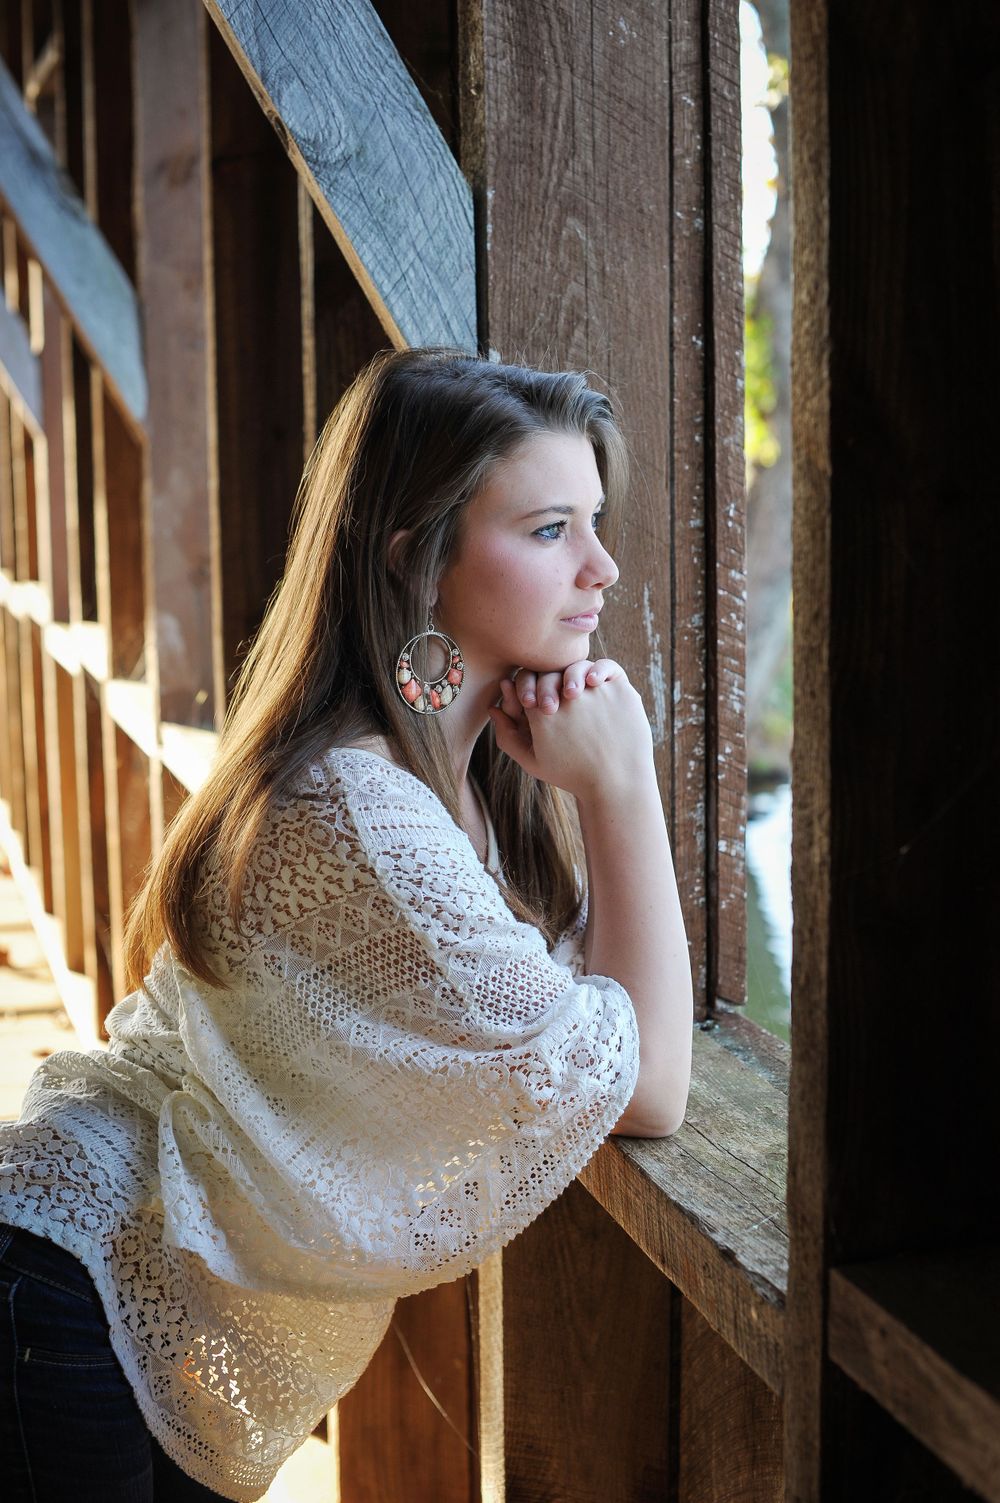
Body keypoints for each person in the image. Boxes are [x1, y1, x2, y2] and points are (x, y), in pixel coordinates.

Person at [0, 346, 693, 1500]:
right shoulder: (359, 808)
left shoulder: (452, 778)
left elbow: (593, 1013)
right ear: (415, 556)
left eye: (595, 522)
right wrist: (623, 789)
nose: (602, 567)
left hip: (122, 1289)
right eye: (549, 530)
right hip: (77, 1283)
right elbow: (648, 1086)